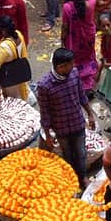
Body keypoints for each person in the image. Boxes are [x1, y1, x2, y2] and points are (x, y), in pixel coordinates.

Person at [37, 48, 96, 188]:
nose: (73, 66)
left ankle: (82, 177)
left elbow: (82, 96)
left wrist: (90, 114)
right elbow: (45, 112)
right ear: (60, 67)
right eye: (70, 64)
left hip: (77, 122)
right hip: (61, 127)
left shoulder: (74, 74)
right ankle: (71, 178)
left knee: (81, 153)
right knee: (67, 154)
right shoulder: (44, 85)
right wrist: (47, 135)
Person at [61, 0, 98, 93]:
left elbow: (65, 26)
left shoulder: (67, 7)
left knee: (75, 60)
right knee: (88, 57)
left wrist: (62, 39)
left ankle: (76, 81)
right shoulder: (91, 3)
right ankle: (89, 80)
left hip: (74, 39)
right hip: (89, 36)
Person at [0, 15, 31, 101]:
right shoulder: (18, 34)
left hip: (9, 77)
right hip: (19, 70)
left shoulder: (4, 47)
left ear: (2, 29)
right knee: (20, 94)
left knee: (12, 98)